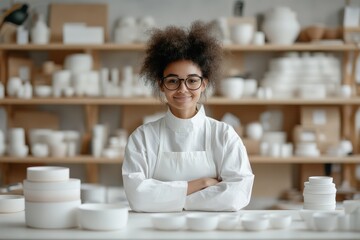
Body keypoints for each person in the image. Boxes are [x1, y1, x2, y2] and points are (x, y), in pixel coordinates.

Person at [122, 21, 254, 212]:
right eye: (173, 81)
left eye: (192, 80)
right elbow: (138, 197)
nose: (182, 89)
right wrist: (199, 184)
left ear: (204, 84)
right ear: (161, 84)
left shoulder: (224, 135)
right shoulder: (142, 138)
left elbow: (237, 195)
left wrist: (171, 201)